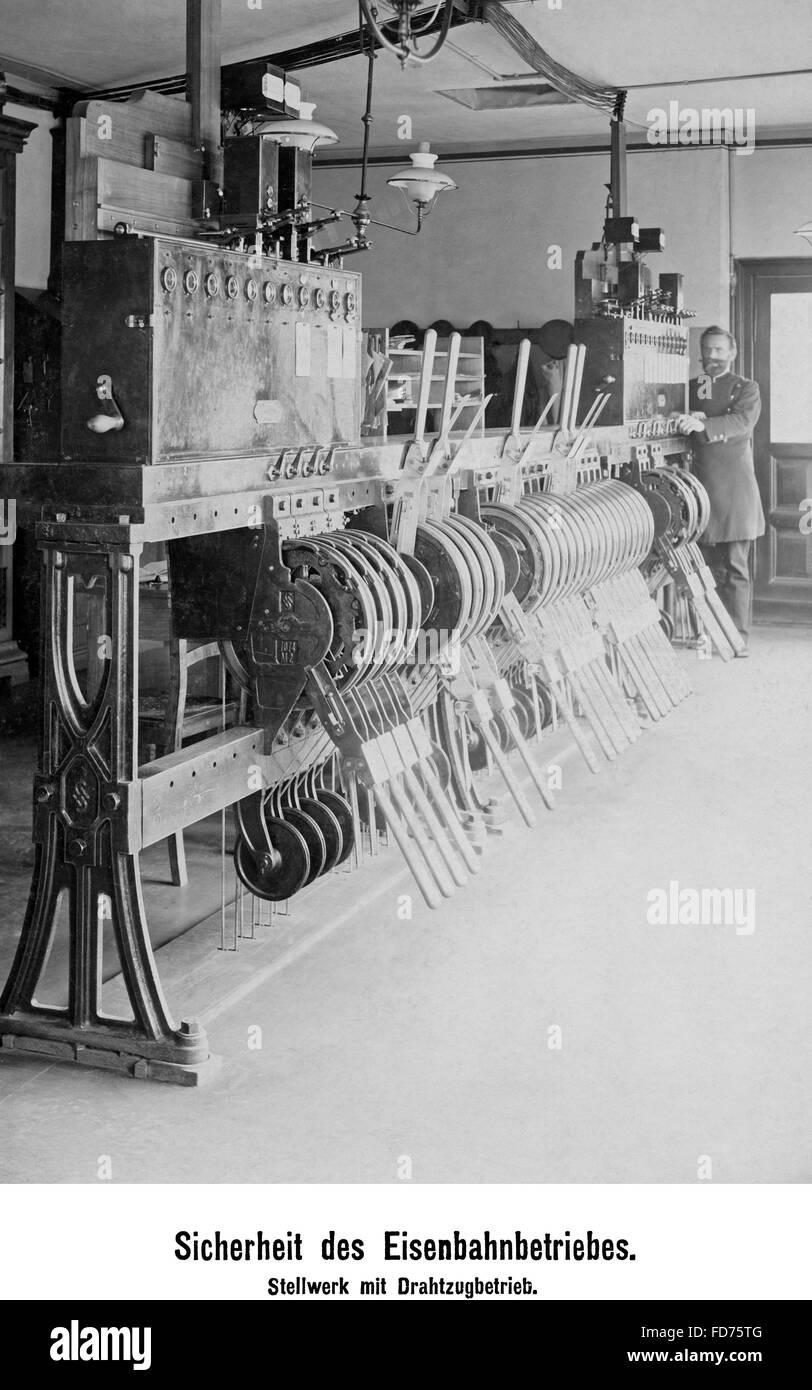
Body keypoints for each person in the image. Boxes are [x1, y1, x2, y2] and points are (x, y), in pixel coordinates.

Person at [675, 326, 764, 656]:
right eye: (707, 350)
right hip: (700, 490)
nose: (711, 357)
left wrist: (704, 425)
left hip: (735, 491)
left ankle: (737, 638)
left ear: (732, 352)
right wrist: (681, 416)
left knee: (735, 569)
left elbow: (741, 421)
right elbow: (674, 414)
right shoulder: (693, 388)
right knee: (708, 568)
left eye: (718, 350)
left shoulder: (746, 388)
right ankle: (710, 633)